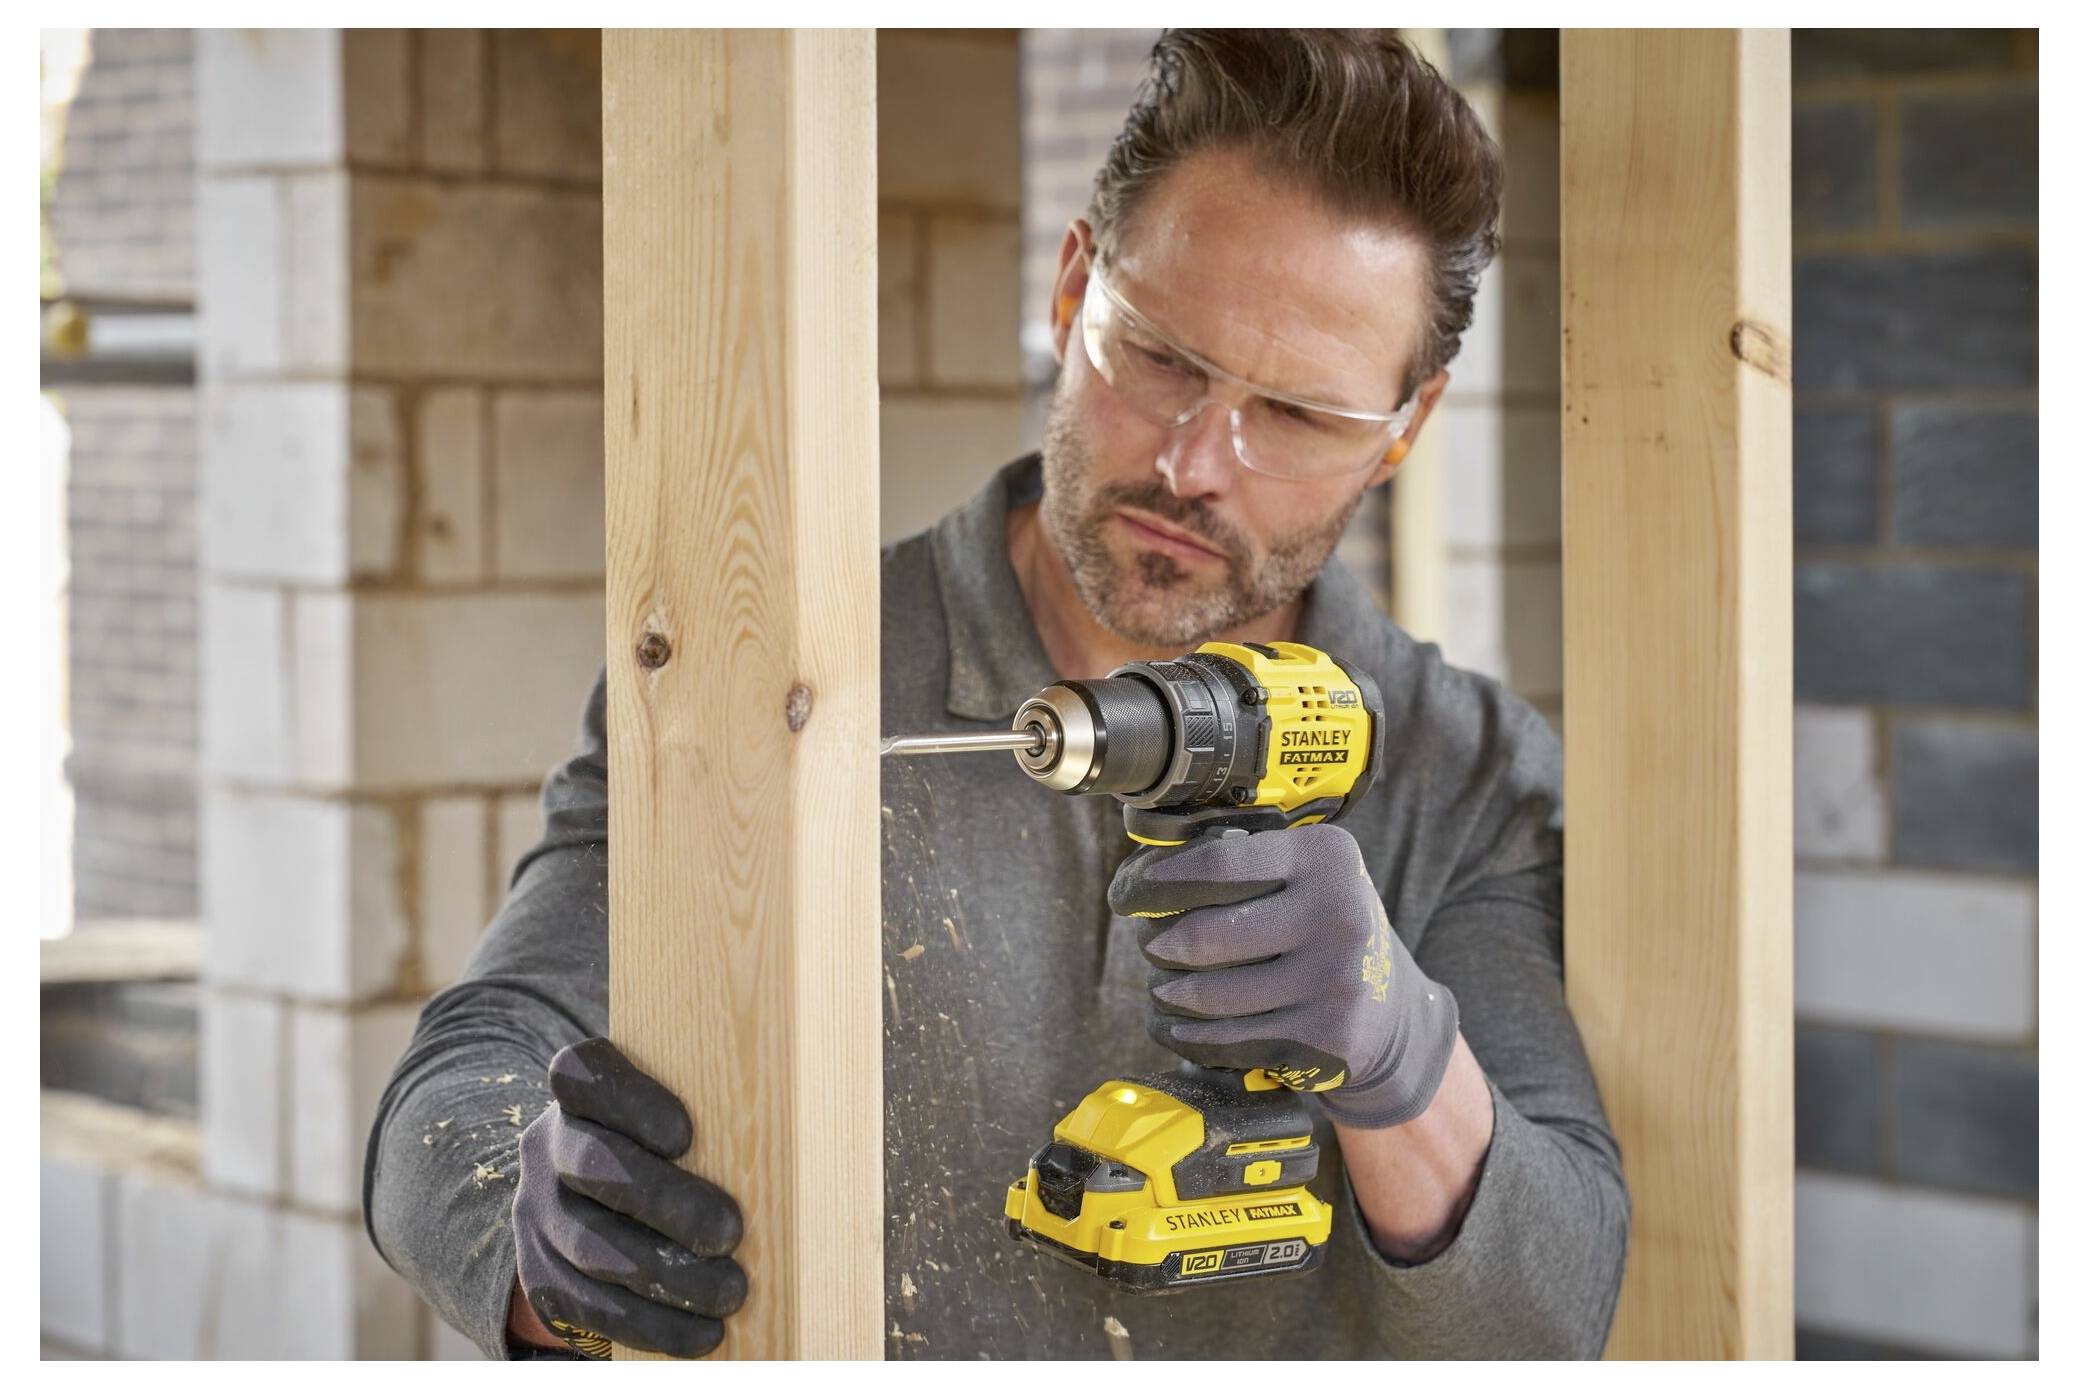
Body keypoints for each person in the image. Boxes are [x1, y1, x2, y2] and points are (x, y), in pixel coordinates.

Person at [365, 29, 1628, 1360]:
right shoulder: (771, 686)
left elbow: (1552, 1315)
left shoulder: (1467, 771)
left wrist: (1403, 1064)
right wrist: (533, 1229)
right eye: (1162, 358)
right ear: (1075, 284)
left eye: (1301, 418)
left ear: (1404, 432)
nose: (1199, 462)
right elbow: (458, 1082)